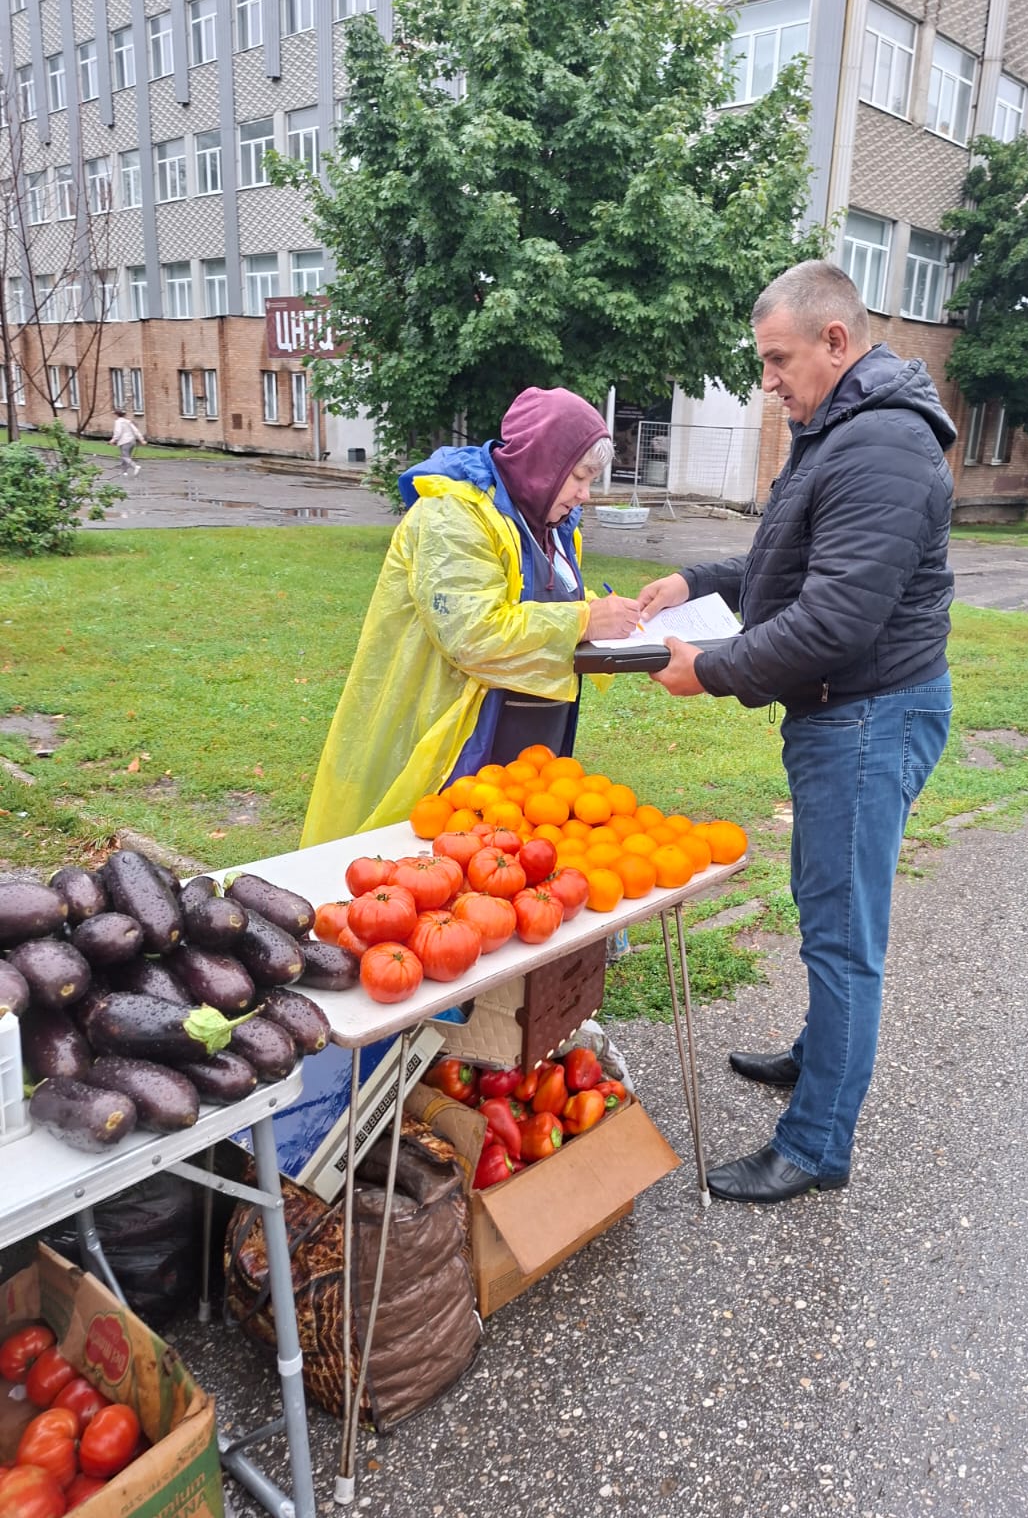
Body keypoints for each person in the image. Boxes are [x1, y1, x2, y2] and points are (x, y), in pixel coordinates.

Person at [638, 260, 955, 1204]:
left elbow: (835, 622)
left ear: (834, 341)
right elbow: (786, 560)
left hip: (865, 715)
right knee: (833, 915)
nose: (767, 381)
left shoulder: (883, 445)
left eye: (777, 360)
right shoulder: (837, 431)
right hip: (848, 711)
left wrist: (712, 671)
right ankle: (820, 1058)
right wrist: (698, 581)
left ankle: (817, 1142)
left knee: (841, 936)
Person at [302, 387, 640, 847]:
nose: (584, 493)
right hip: (455, 737)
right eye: (579, 476)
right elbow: (471, 635)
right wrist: (585, 620)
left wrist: (617, 631)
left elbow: (555, 611)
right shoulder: (451, 515)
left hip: (531, 749)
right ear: (542, 462)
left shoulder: (555, 527)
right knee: (439, 863)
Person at [109, 411, 145, 475]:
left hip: (124, 441)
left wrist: (113, 440)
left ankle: (135, 466)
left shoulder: (118, 422)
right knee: (127, 457)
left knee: (125, 456)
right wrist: (141, 439)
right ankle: (124, 472)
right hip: (132, 441)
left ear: (116, 415)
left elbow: (118, 432)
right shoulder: (128, 421)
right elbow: (136, 431)